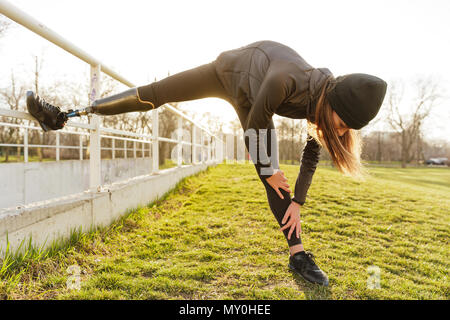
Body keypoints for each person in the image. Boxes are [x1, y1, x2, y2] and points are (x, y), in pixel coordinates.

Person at [26, 40, 387, 286]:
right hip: (228, 74)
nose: (337, 131)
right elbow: (258, 125)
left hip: (253, 95)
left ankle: (298, 255)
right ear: (333, 104)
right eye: (340, 123)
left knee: (274, 177)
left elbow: (313, 149)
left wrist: (298, 201)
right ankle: (65, 115)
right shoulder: (287, 80)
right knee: (155, 94)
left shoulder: (323, 98)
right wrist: (270, 170)